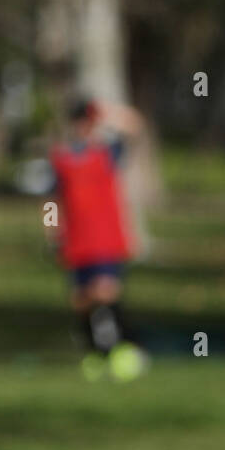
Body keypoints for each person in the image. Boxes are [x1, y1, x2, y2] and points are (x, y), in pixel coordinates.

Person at [47, 97, 149, 382]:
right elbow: (52, 203)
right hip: (76, 241)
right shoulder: (62, 159)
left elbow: (135, 126)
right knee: (81, 300)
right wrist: (52, 232)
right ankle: (95, 351)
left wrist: (104, 112)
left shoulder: (107, 153)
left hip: (105, 238)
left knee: (105, 292)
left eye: (87, 121)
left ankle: (124, 348)